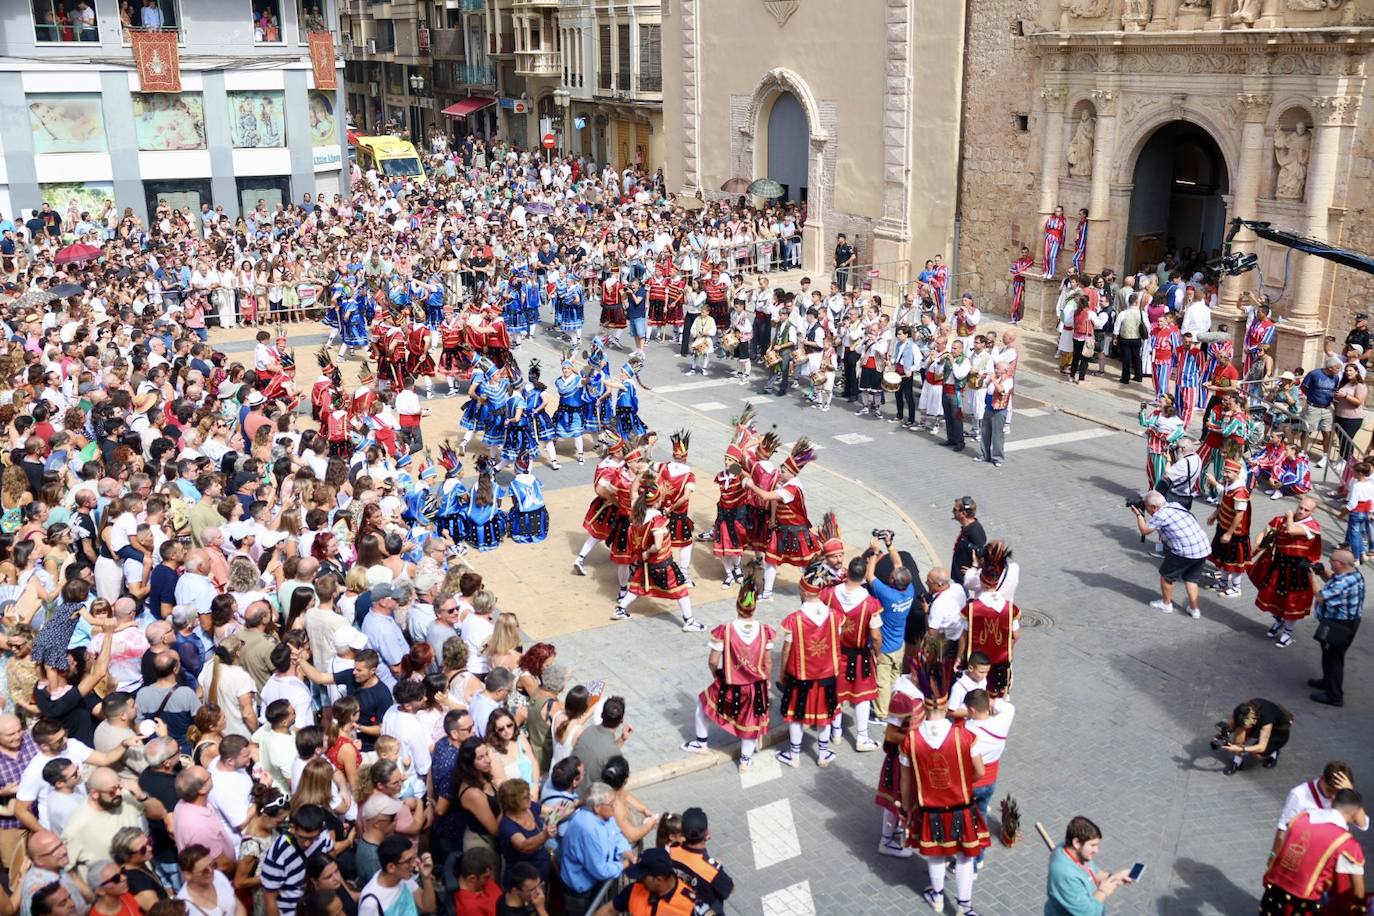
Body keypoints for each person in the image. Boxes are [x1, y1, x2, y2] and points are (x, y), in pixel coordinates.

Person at [899, 694, 989, 915]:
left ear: (924, 706)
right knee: (964, 856)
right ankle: (964, 907)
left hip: (930, 810)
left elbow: (906, 781)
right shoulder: (966, 735)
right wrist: (962, 784)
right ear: (947, 705)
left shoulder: (909, 740)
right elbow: (979, 771)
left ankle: (937, 898)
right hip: (962, 807)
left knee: (936, 854)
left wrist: (906, 808)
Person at [680, 576, 774, 772]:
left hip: (730, 684)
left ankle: (701, 742)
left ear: (737, 605)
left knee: (704, 704)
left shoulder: (725, 631)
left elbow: (713, 660)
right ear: (754, 607)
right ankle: (745, 761)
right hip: (756, 686)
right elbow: (768, 662)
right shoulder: (765, 631)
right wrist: (767, 680)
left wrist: (718, 675)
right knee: (751, 721)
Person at [1261, 789, 1365, 914]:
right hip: (1302, 905)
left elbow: (1282, 838)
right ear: (1355, 813)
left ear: (1332, 803)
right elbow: (1358, 892)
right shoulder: (1347, 843)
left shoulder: (1302, 817)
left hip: (1273, 892)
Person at [1249, 497, 1323, 648]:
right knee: (1271, 597)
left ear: (1312, 512)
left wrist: (1289, 517)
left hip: (1298, 570)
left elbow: (1292, 530)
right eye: (1300, 507)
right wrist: (1257, 544)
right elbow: (1265, 533)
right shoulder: (1280, 520)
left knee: (1292, 603)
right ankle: (1279, 620)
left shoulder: (1312, 526)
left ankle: (1288, 633)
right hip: (1279, 565)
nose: (1301, 511)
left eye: (1306, 510)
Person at [1131, 491, 1209, 619]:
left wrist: (1139, 515)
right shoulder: (1174, 505)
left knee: (1166, 576)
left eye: (1146, 507)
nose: (1147, 509)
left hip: (1185, 551)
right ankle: (1195, 610)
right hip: (1202, 547)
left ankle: (1166, 604)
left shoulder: (1161, 515)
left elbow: (1144, 531)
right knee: (1190, 579)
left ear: (1154, 507)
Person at [559, 783, 632, 915]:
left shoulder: (606, 816)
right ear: (597, 807)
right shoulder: (588, 829)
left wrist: (626, 851)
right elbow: (601, 870)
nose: (615, 806)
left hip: (595, 883)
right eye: (611, 804)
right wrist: (623, 864)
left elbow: (616, 835)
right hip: (581, 891)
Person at [1307, 548, 1364, 707]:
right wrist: (1322, 572)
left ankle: (1334, 696)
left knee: (1334, 659)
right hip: (1343, 622)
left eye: (1332, 561)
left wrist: (1312, 577)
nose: (1329, 562)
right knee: (1329, 654)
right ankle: (1327, 682)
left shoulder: (1343, 582)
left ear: (1339, 564)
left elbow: (1320, 597)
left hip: (1339, 626)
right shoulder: (1352, 573)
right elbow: (1333, 580)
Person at [1044, 816, 1132, 915]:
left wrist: (1113, 877)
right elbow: (1088, 913)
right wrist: (1103, 891)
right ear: (1076, 843)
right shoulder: (1066, 876)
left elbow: (1093, 871)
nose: (1096, 850)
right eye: (1093, 845)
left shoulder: (1070, 849)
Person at [664, 808, 733, 915]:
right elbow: (730, 889)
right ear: (706, 833)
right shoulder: (711, 870)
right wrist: (716, 866)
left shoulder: (671, 851)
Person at [356, 835, 435, 916]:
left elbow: (428, 907)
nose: (415, 864)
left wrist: (426, 878)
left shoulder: (403, 878)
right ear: (391, 867)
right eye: (409, 861)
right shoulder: (370, 903)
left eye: (414, 857)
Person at [1216, 697, 1293, 775]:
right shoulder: (1241, 710)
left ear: (1255, 721)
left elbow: (1261, 747)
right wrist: (1221, 735)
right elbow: (1230, 724)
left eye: (1248, 727)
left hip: (1278, 731)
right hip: (1258, 724)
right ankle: (1237, 761)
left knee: (1257, 754)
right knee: (1240, 727)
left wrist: (1242, 749)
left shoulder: (1266, 719)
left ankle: (1274, 751)